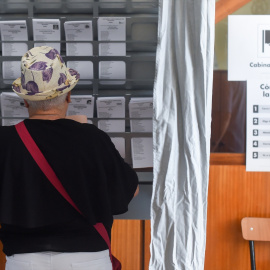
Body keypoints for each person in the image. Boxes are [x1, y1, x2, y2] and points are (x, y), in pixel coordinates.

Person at [0, 46, 139, 270]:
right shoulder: (93, 139)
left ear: (25, 100)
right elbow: (129, 191)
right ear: (69, 96)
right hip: (88, 259)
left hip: (24, 261)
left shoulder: (5, 142)